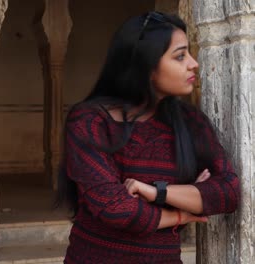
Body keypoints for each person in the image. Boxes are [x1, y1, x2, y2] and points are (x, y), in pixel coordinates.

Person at [57, 11, 240, 264]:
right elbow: (116, 208)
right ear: (146, 65)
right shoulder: (90, 121)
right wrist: (181, 214)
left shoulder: (190, 123)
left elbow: (228, 192)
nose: (193, 63)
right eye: (180, 56)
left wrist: (156, 192)